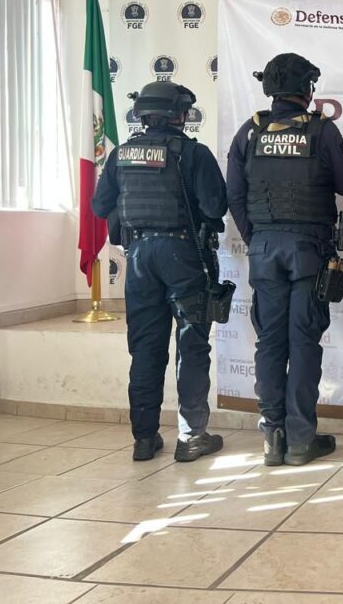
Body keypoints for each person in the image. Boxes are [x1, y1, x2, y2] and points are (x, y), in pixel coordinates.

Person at [226, 53, 343, 467]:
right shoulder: (321, 130)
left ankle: (273, 436)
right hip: (309, 253)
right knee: (303, 343)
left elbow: (234, 195)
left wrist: (256, 239)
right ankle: (300, 440)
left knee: (269, 342)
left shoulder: (250, 131)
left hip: (264, 252)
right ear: (306, 89)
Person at [92, 82, 227, 462]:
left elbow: (100, 206)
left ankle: (144, 438)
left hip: (138, 259)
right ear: (180, 114)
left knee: (146, 349)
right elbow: (216, 208)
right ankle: (191, 436)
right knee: (191, 346)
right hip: (184, 255)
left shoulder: (121, 154)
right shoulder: (193, 153)